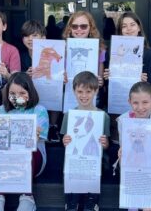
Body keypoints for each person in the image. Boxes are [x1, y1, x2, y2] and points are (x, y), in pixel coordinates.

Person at [0, 72, 50, 211]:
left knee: (26, 150)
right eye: (12, 93)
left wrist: (35, 134)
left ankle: (27, 196)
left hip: (34, 158)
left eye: (22, 92)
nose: (17, 97)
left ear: (30, 92)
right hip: (7, 159)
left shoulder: (39, 110)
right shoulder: (2, 110)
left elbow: (39, 141)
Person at [60, 71, 111, 211]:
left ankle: (91, 202)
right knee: (71, 168)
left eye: (88, 91)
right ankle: (71, 202)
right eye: (80, 91)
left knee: (94, 171)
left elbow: (106, 144)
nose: (84, 95)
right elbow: (65, 141)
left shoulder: (103, 116)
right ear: (74, 91)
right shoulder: (69, 115)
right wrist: (65, 141)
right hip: (75, 159)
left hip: (94, 161)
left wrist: (104, 144)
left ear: (96, 91)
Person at [116, 81, 151, 211]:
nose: (140, 107)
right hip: (132, 159)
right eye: (135, 103)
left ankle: (148, 204)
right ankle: (132, 202)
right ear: (129, 102)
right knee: (124, 156)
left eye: (145, 102)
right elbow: (125, 146)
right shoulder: (123, 120)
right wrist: (123, 151)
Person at [103, 12, 151, 89]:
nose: (129, 28)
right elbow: (106, 84)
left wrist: (144, 82)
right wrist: (108, 77)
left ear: (139, 28)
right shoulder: (112, 52)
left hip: (140, 96)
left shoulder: (148, 53)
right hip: (117, 95)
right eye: (124, 26)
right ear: (120, 30)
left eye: (132, 25)